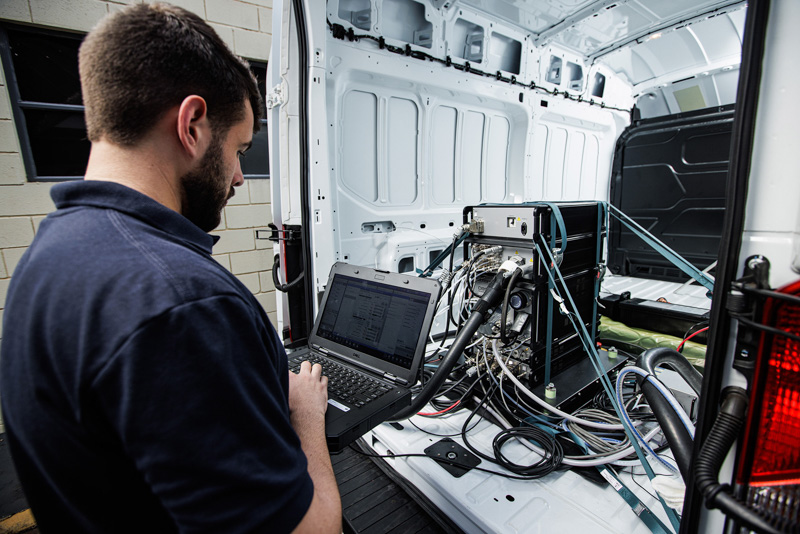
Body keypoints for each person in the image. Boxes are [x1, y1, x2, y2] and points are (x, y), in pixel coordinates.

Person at [0, 4, 341, 533]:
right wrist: (306, 417)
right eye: (238, 149)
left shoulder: (51, 253)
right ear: (191, 125)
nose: (238, 177)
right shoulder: (181, 303)